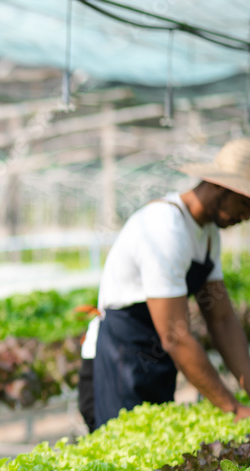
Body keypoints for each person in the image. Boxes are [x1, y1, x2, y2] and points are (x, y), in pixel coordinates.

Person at [89, 137, 250, 430]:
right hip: (121, 357)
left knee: (154, 459)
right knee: (124, 457)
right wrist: (233, 407)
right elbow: (175, 336)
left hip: (157, 357)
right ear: (217, 185)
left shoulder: (208, 234)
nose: (247, 216)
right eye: (244, 202)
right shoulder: (166, 227)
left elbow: (222, 319)